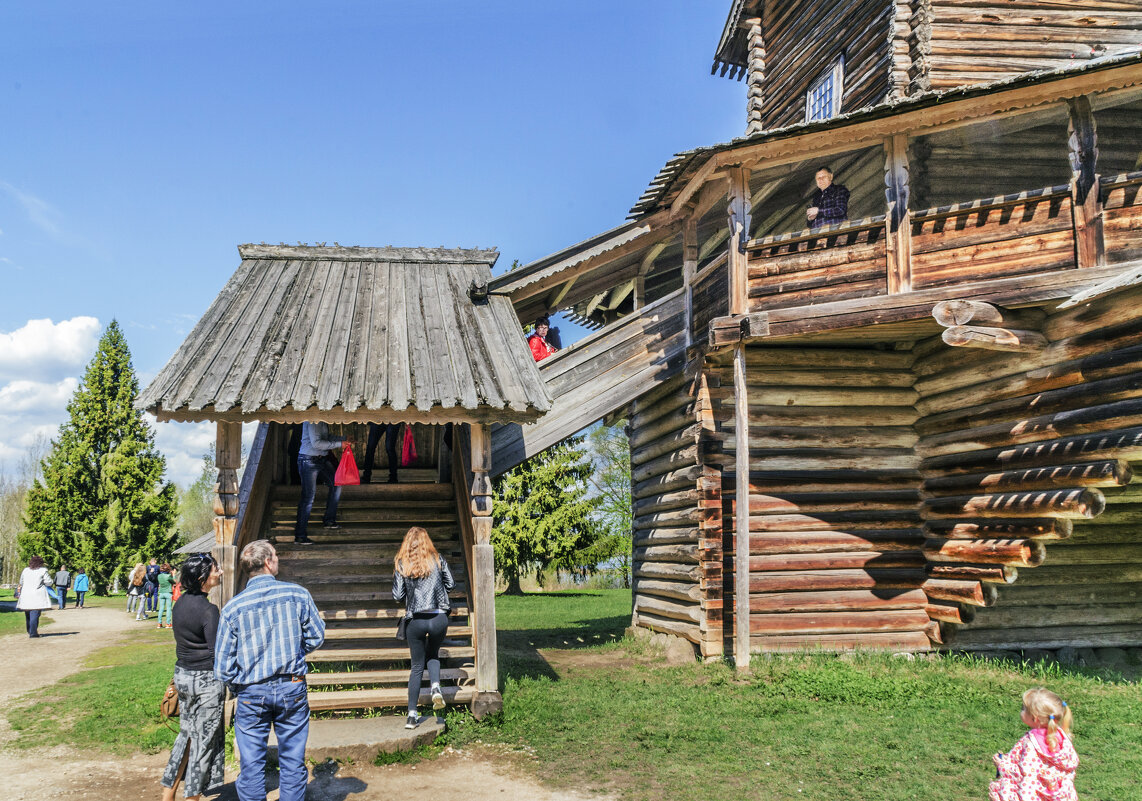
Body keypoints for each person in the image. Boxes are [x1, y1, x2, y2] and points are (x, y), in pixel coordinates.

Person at [215, 540, 325, 801]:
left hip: (252, 690)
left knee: (251, 767)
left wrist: (240, 683)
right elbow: (317, 636)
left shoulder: (232, 608)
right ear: (267, 562)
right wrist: (296, 652)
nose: (277, 559)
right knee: (292, 761)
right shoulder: (297, 595)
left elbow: (222, 667)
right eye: (275, 555)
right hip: (292, 685)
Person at [161, 553, 225, 801]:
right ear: (202, 578)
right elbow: (216, 652)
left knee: (186, 738)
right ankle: (193, 798)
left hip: (182, 676)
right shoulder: (209, 610)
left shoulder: (180, 603)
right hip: (206, 681)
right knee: (203, 744)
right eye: (215, 569)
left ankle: (167, 796)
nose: (219, 572)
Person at [392, 525, 454, 729]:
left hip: (415, 620)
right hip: (438, 617)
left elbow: (398, 596)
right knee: (433, 654)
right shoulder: (438, 559)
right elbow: (451, 584)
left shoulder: (401, 563)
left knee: (417, 667)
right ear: (427, 542)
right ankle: (436, 687)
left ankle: (411, 716)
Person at [990, 687, 1078, 801]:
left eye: (1023, 708)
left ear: (1035, 718)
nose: (1020, 710)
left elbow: (1024, 772)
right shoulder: (1061, 737)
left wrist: (1002, 764)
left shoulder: (1030, 743)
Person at [294, 421, 349, 546]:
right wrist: (340, 444)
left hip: (321, 459)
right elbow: (316, 443)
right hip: (308, 460)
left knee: (336, 484)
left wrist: (344, 439)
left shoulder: (323, 418)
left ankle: (329, 520)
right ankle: (300, 536)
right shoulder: (313, 418)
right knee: (308, 497)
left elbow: (326, 437)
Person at [16, 556, 53, 638]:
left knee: (28, 614)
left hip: (26, 595)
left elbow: (21, 582)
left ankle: (30, 631)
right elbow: (48, 582)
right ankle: (33, 633)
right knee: (35, 614)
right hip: (37, 595)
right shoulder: (43, 570)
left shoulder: (25, 570)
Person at [157, 562, 175, 629]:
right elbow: (174, 582)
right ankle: (168, 623)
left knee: (161, 608)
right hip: (168, 593)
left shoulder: (159, 576)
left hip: (161, 593)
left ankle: (159, 623)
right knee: (168, 609)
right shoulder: (168, 576)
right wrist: (174, 575)